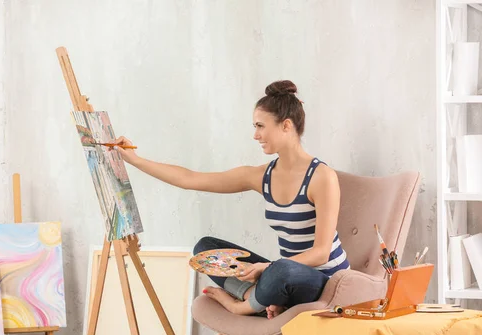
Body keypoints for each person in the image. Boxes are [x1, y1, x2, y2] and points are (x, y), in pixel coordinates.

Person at [111, 80, 350, 319]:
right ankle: (261, 298)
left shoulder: (322, 177)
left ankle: (242, 305)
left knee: (283, 270)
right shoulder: (262, 176)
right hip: (282, 275)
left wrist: (267, 268)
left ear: (286, 126)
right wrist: (136, 160)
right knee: (205, 249)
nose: (255, 135)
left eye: (260, 126)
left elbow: (321, 253)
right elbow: (191, 178)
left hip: (326, 282)